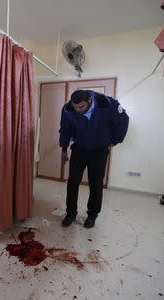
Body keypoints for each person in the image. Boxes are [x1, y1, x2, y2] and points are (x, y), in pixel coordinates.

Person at [59, 90, 129, 228]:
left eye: (81, 107)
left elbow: (123, 121)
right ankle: (70, 213)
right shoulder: (68, 109)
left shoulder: (107, 104)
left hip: (99, 151)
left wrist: (116, 140)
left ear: (90, 101)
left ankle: (92, 215)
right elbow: (65, 128)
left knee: (96, 183)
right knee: (72, 182)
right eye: (76, 107)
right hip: (79, 149)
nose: (78, 110)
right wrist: (64, 148)